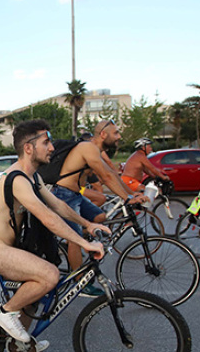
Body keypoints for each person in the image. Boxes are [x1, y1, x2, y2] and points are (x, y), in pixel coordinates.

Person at [0, 119, 107, 352]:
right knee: (49, 275)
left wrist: (88, 224)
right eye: (46, 142)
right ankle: (5, 311)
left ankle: (19, 346)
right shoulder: (17, 179)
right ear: (29, 148)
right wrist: (84, 243)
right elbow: (47, 217)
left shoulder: (32, 178)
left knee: (39, 293)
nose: (52, 148)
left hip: (7, 247)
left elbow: (57, 205)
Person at [52, 118, 146, 279]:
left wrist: (131, 193)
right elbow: (107, 177)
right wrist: (127, 198)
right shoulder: (88, 148)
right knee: (75, 239)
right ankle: (78, 281)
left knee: (100, 216)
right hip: (64, 194)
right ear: (103, 134)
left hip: (76, 195)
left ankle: (75, 238)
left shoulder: (96, 150)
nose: (118, 136)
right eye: (115, 133)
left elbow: (112, 174)